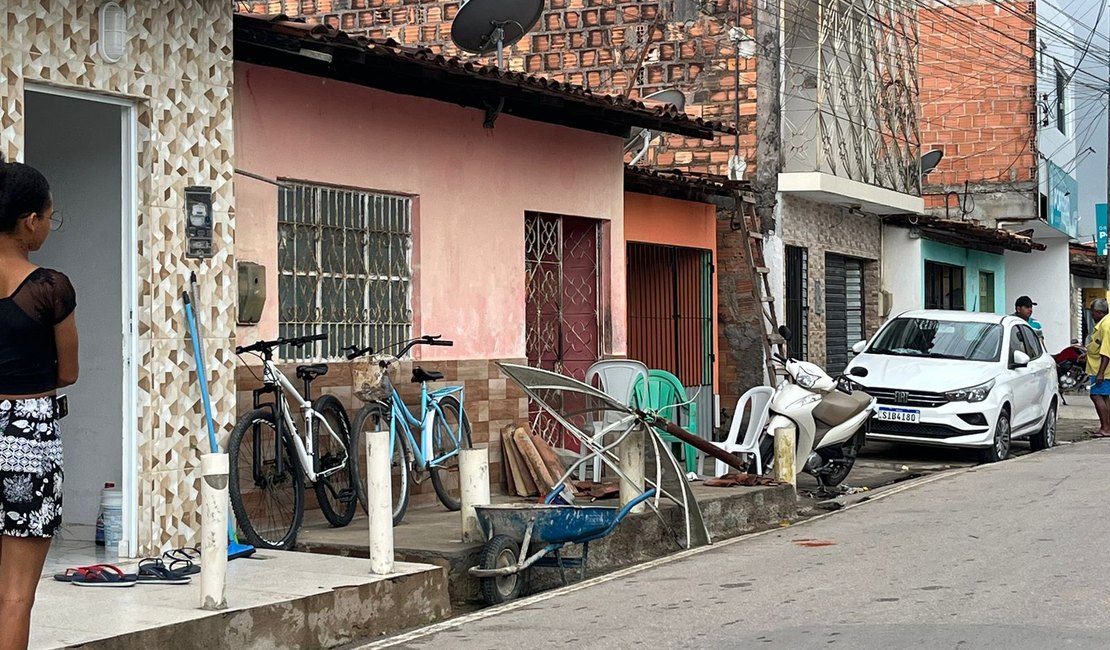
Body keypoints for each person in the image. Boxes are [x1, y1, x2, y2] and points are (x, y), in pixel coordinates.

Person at [0, 162, 78, 650]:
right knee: (14, 597)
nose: (50, 224)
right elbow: (67, 372)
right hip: (27, 438)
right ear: (30, 221)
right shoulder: (49, 287)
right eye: (51, 216)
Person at [1086, 298, 1110, 438]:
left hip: (1102, 369)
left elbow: (1106, 352)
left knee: (1096, 395)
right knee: (1105, 397)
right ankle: (1107, 427)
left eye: (1093, 313)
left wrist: (1100, 373)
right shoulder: (1104, 323)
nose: (1092, 316)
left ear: (1099, 313)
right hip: (1100, 367)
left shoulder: (1106, 326)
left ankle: (1105, 428)